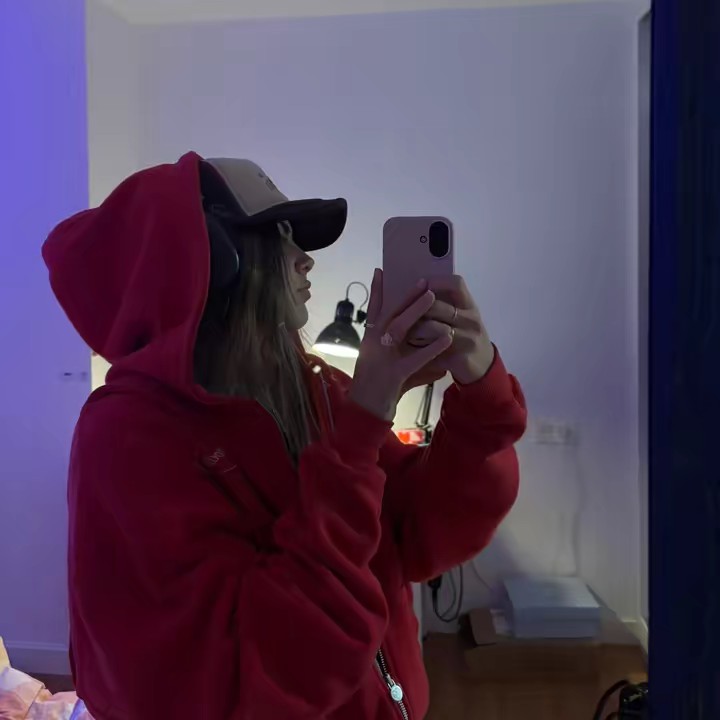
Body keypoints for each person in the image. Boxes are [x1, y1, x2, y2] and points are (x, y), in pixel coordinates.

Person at [43, 152, 526, 720]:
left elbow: (419, 537)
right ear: (213, 260)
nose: (305, 260)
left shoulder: (312, 389)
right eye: (281, 237)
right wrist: (363, 425)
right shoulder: (128, 438)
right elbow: (267, 671)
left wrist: (479, 391)